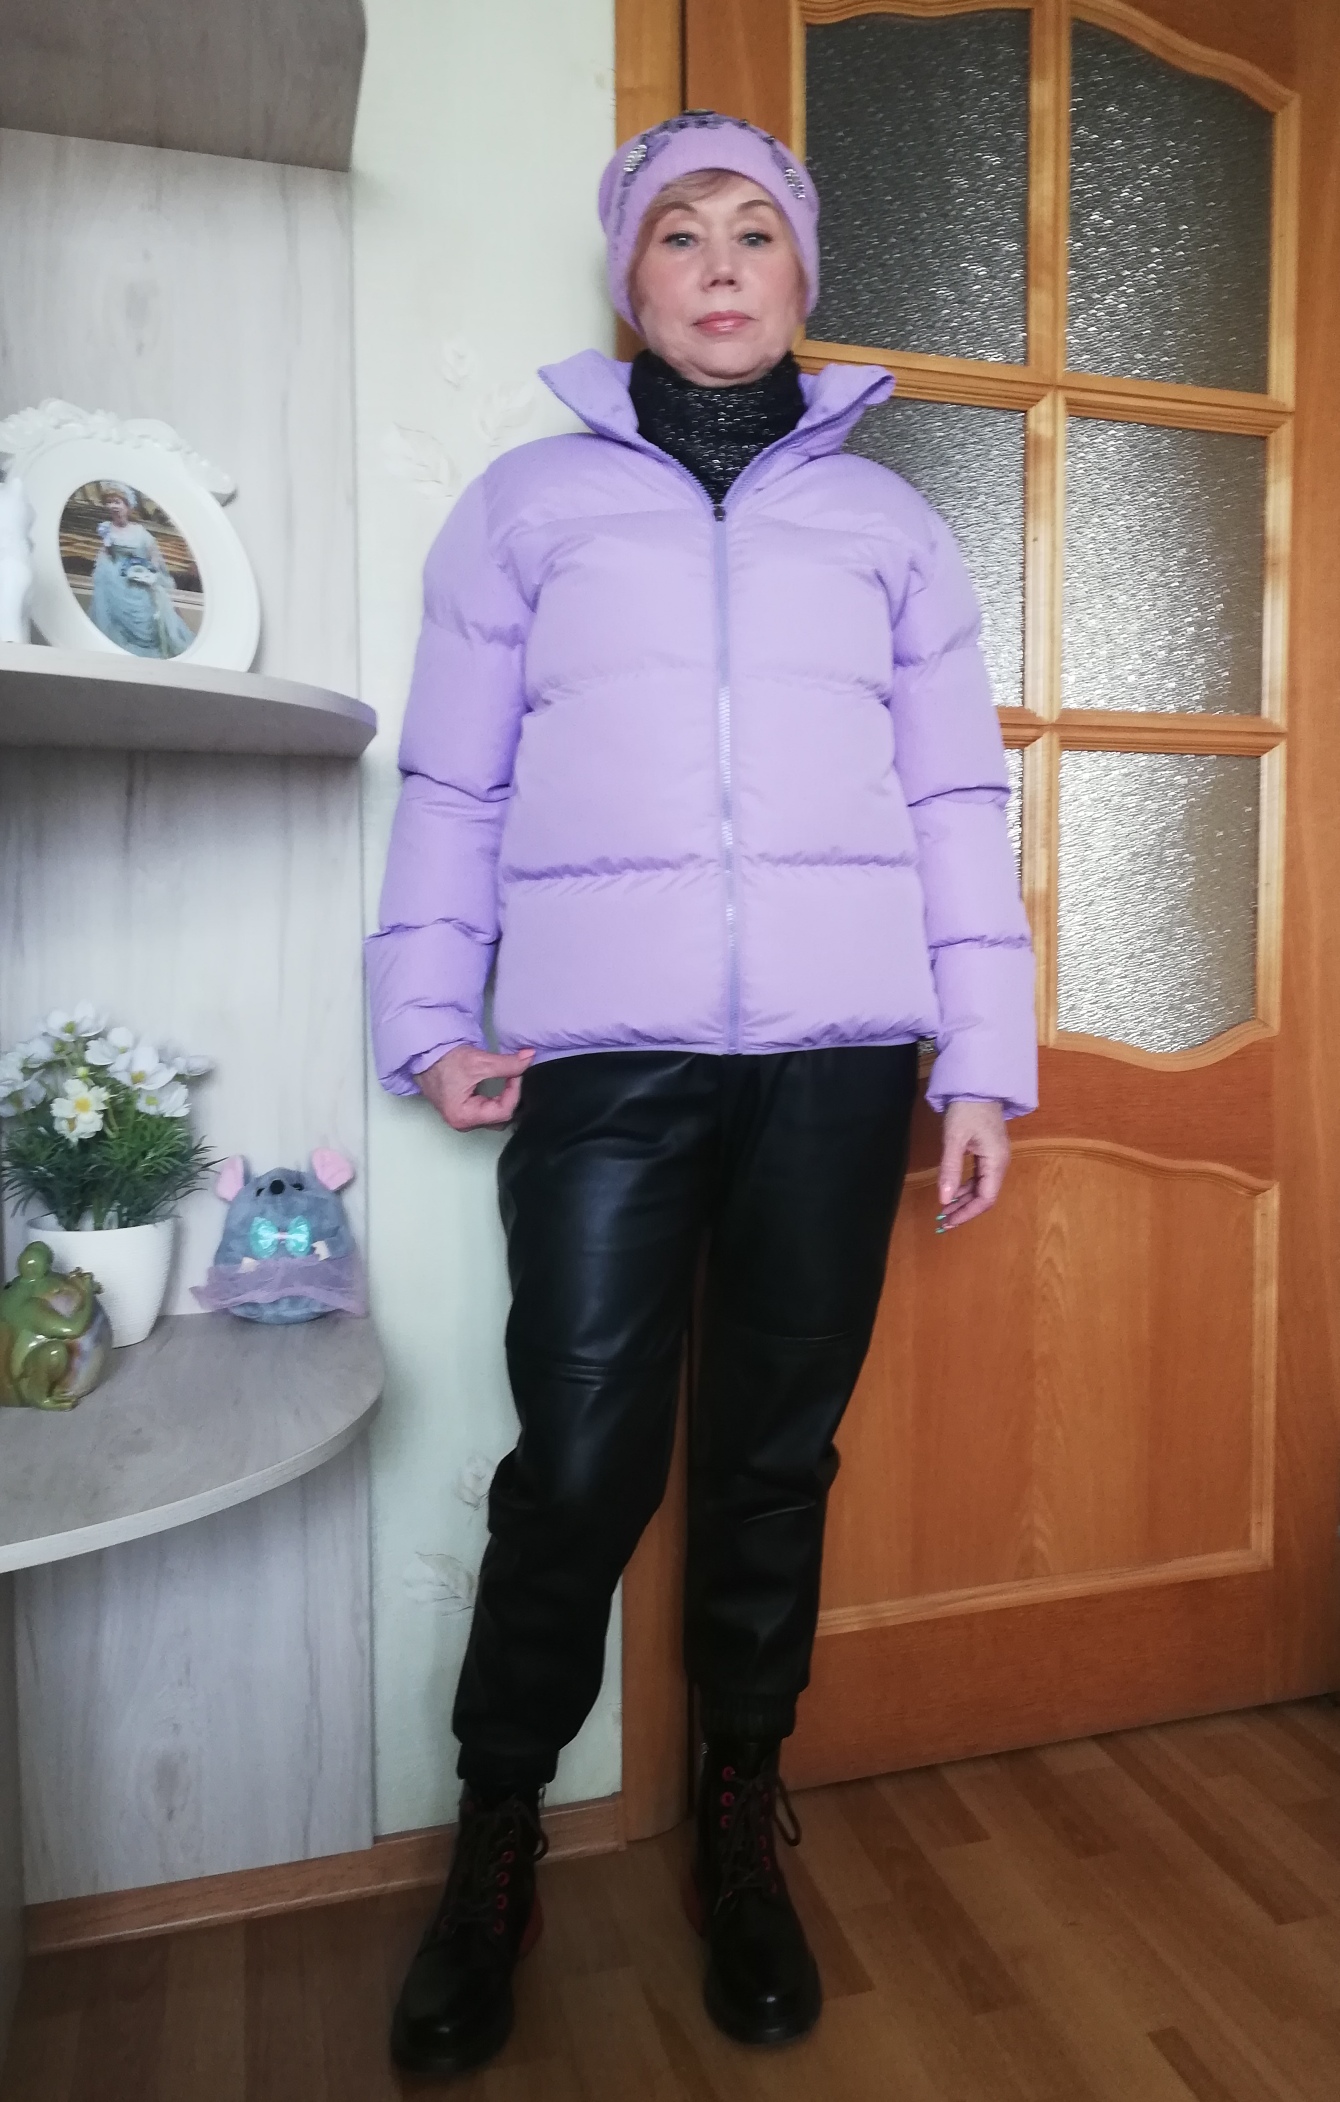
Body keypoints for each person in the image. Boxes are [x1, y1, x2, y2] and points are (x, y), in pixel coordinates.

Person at [367, 110, 1037, 2078]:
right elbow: (455, 781)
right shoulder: (524, 509)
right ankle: (500, 1835)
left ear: (802, 275)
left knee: (769, 1457)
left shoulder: (890, 530)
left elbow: (953, 799)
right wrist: (427, 1013)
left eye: (757, 231)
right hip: (606, 1058)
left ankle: (742, 1814)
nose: (722, 262)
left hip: (837, 1063)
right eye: (682, 231)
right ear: (631, 279)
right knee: (581, 1460)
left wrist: (981, 1059)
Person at [86, 484, 194, 658]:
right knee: (117, 624)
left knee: (147, 621)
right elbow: (105, 556)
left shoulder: (140, 532)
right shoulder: (106, 529)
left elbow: (153, 556)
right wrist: (109, 575)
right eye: (109, 502)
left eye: (117, 502)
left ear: (127, 506)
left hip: (140, 582)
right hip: (116, 585)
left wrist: (150, 571)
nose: (113, 506)